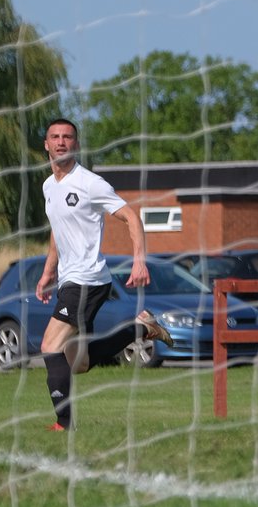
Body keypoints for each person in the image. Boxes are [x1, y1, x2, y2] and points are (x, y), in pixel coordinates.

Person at [36, 118, 172, 432]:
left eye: (67, 137)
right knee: (78, 362)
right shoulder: (48, 186)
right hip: (69, 281)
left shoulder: (90, 183)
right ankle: (139, 330)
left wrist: (139, 261)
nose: (61, 142)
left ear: (76, 144)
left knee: (49, 345)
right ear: (46, 144)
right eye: (54, 137)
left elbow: (130, 217)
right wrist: (47, 272)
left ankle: (64, 424)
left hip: (88, 281)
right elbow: (58, 231)